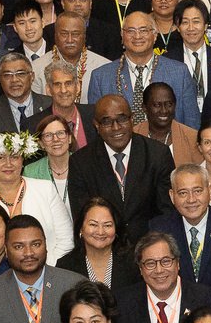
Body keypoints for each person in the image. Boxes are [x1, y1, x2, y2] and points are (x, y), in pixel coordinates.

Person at [66, 92, 171, 241]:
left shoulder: (158, 154)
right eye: (107, 122)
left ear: (132, 119)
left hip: (149, 246)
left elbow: (166, 213)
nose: (116, 127)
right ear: (96, 125)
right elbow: (82, 218)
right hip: (102, 246)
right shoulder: (80, 162)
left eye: (122, 119)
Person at [0, 132, 74, 263]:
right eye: (0, 157)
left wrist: (41, 269)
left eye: (14, 157)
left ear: (22, 160)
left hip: (48, 269)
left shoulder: (46, 189)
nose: (8, 164)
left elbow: (66, 240)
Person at [59, 196, 128, 287]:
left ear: (116, 229)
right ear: (81, 228)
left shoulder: (132, 263)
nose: (100, 232)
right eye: (93, 224)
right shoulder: (65, 266)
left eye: (107, 225)